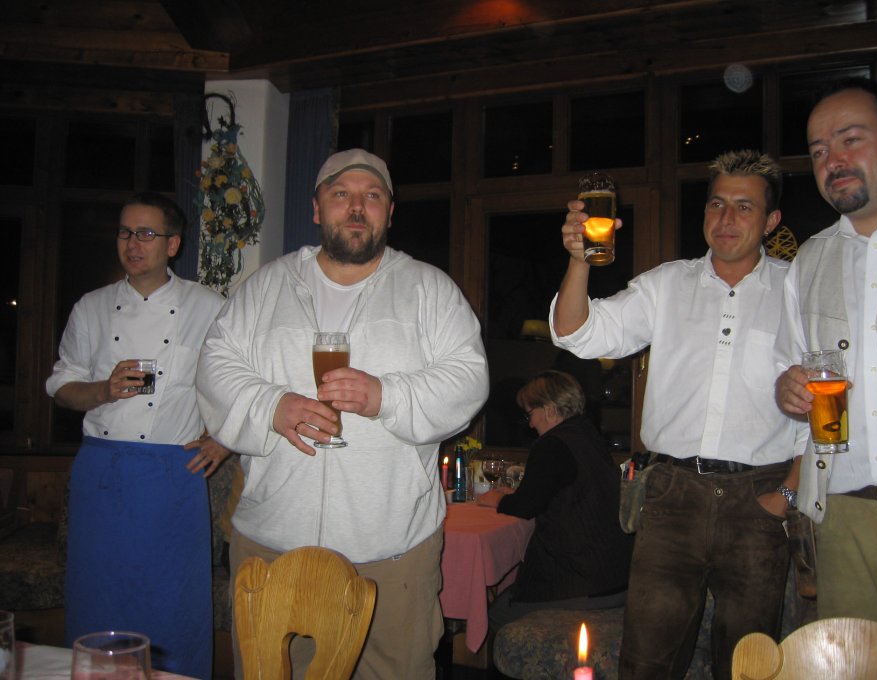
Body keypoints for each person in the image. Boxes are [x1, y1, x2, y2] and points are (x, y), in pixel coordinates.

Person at [195, 148, 489, 679]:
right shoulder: (265, 286)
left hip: (392, 553)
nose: (356, 207)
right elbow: (214, 365)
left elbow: (469, 380)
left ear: (389, 212)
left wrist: (386, 396)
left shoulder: (429, 289)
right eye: (341, 194)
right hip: (273, 543)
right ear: (316, 208)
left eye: (371, 196)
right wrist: (271, 405)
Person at [551, 149, 800, 680]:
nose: (726, 218)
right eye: (716, 204)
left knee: (748, 665)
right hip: (671, 495)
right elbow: (577, 333)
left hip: (759, 499)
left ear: (771, 221)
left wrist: (787, 496)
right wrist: (579, 259)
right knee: (647, 661)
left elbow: (824, 394)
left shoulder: (797, 290)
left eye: (744, 207)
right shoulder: (667, 284)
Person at [46, 192, 231, 679]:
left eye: (146, 233)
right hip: (102, 471)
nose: (133, 243)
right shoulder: (91, 307)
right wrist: (103, 390)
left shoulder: (209, 307)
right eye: (126, 232)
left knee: (173, 601)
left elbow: (244, 381)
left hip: (173, 474)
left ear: (173, 244)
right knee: (98, 597)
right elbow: (62, 387)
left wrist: (224, 440)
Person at [774, 77, 877, 633]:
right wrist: (786, 388)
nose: (833, 161)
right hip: (845, 515)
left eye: (850, 139)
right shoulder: (809, 261)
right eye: (819, 151)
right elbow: (789, 366)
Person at [479, 370, 633, 632]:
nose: (530, 424)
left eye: (530, 414)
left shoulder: (552, 445)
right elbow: (552, 493)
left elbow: (525, 506)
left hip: (581, 584)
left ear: (549, 410)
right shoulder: (587, 436)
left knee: (493, 617)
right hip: (616, 577)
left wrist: (496, 499)